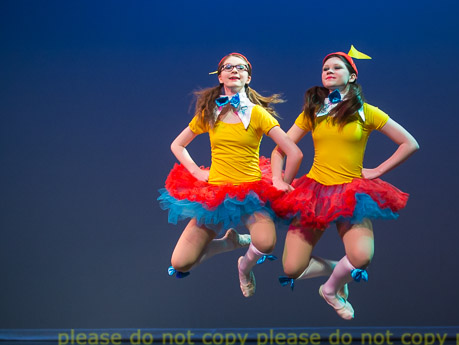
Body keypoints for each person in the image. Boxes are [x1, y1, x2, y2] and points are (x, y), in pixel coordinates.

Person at [271, 49, 419, 319]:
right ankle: (336, 271)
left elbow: (409, 143)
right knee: (292, 268)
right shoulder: (314, 111)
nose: (329, 71)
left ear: (352, 76)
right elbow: (281, 148)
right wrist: (278, 179)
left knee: (362, 257)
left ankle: (330, 290)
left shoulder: (367, 112)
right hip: (314, 192)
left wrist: (377, 170)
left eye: (336, 67)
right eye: (325, 68)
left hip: (350, 193)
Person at [159, 53, 303, 297]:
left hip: (251, 191)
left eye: (241, 67)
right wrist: (195, 171)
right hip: (216, 194)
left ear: (248, 77)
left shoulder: (257, 114)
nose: (234, 70)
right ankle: (230, 242)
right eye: (228, 67)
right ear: (220, 76)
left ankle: (244, 267)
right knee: (180, 263)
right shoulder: (210, 113)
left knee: (266, 243)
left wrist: (281, 181)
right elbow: (177, 144)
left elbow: (294, 152)